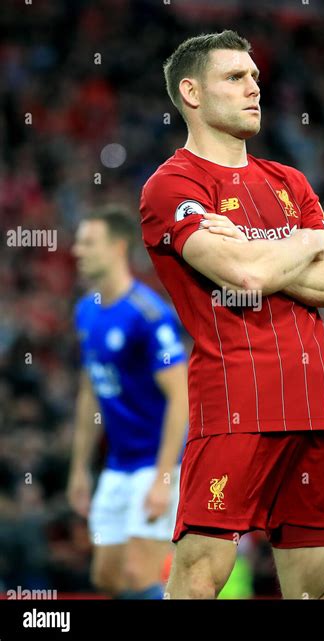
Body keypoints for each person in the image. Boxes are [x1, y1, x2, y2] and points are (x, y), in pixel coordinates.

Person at [140, 30, 324, 600]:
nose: (253, 89)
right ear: (191, 93)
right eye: (235, 78)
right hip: (236, 401)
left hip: (320, 406)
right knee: (198, 577)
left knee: (321, 590)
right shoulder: (172, 185)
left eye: (255, 78)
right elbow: (247, 278)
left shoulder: (289, 181)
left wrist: (254, 247)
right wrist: (301, 244)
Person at [67, 205, 188, 599]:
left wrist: (164, 476)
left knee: (141, 573)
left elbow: (181, 395)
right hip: (117, 464)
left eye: (88, 243)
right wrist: (81, 468)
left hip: (156, 462)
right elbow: (91, 392)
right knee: (107, 576)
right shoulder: (85, 312)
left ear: (118, 248)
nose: (76, 250)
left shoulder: (149, 315)